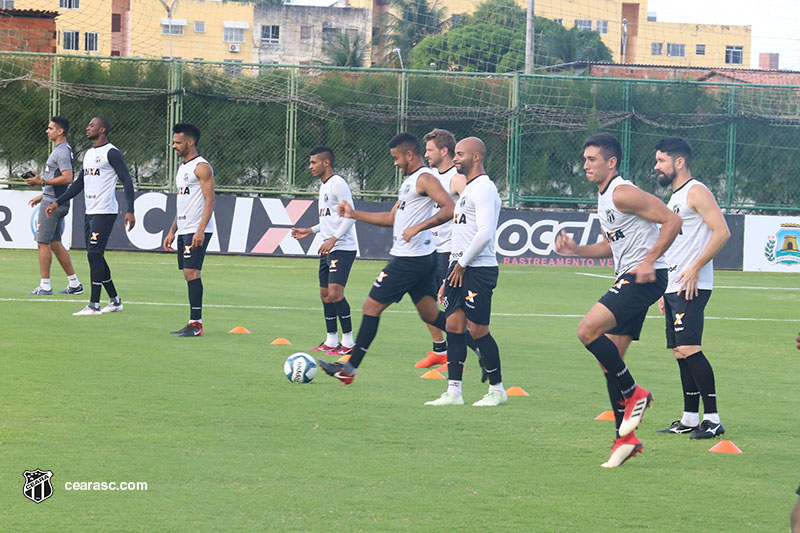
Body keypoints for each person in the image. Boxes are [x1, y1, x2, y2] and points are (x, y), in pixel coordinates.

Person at [554, 132, 681, 468]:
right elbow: (612, 246)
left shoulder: (623, 191)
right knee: (609, 361)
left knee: (587, 330)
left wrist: (649, 259)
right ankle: (624, 440)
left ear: (611, 162)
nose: (585, 165)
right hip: (631, 276)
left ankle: (636, 392)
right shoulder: (607, 196)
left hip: (644, 278)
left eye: (592, 159)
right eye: (584, 159)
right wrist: (576, 250)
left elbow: (673, 220)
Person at [317, 132, 455, 385]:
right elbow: (392, 220)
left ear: (408, 155)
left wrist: (418, 228)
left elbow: (450, 208)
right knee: (431, 315)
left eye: (396, 158)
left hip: (409, 260)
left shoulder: (424, 178)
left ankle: (349, 370)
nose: (395, 163)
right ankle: (477, 343)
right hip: (420, 260)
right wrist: (353, 213)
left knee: (371, 308)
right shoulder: (409, 183)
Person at [652, 137, 731, 439]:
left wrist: (696, 267)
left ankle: (712, 419)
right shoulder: (674, 199)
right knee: (679, 351)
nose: (656, 166)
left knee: (689, 348)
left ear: (679, 162)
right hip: (674, 286)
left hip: (692, 285)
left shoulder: (696, 191)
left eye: (661, 160)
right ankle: (689, 417)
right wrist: (664, 287)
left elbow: (721, 232)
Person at [424, 137, 505, 407]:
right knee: (453, 327)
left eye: (460, 155)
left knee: (479, 330)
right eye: (455, 154)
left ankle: (497, 391)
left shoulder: (483, 189)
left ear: (476, 158)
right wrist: (451, 272)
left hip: (477, 268)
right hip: (457, 267)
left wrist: (461, 264)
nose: (455, 159)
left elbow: (484, 232)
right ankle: (454, 392)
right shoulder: (468, 189)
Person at [46, 116, 135, 316]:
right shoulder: (87, 154)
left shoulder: (111, 153)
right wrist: (57, 202)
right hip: (90, 211)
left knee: (94, 254)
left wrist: (130, 209)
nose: (88, 128)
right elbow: (79, 183)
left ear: (102, 130)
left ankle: (94, 305)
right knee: (95, 255)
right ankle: (115, 301)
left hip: (105, 211)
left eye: (92, 125)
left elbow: (127, 180)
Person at [291, 146, 357, 355]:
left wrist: (335, 239)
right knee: (325, 295)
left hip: (342, 247)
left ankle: (348, 343)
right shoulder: (323, 186)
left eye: (313, 163)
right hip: (327, 247)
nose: (310, 166)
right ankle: (331, 340)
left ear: (325, 163)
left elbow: (351, 215)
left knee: (336, 293)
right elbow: (330, 220)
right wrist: (310, 230)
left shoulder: (338, 184)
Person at [415, 129, 467, 369]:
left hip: (450, 250)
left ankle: (461, 356)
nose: (426, 154)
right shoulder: (429, 177)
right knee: (424, 299)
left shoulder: (456, 179)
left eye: (430, 150)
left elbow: (473, 209)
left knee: (451, 306)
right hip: (430, 249)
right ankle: (439, 349)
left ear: (444, 151)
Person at [163, 123, 215, 337]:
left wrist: (201, 230)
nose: (174, 145)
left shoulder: (202, 167)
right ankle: (193, 322)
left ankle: (196, 324)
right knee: (188, 274)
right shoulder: (183, 168)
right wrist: (172, 230)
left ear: (190, 142)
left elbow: (210, 199)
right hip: (185, 227)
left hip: (197, 228)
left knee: (191, 272)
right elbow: (183, 201)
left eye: (178, 142)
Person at [25, 116, 83, 296]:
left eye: (50, 128)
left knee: (43, 243)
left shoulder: (62, 151)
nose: (47, 131)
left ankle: (45, 285)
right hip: (55, 199)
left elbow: (67, 178)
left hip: (53, 203)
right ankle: (74, 284)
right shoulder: (62, 150)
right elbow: (60, 180)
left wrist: (41, 181)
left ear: (60, 131)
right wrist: (42, 194)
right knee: (56, 243)